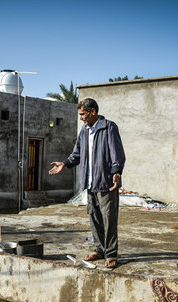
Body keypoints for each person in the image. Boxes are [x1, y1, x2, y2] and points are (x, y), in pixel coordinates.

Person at [49, 98, 126, 268]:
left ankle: (111, 253)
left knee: (109, 218)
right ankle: (99, 249)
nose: (81, 118)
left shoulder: (109, 127)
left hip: (106, 182)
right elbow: (76, 154)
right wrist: (65, 163)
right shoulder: (85, 131)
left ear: (93, 112)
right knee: (94, 217)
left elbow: (117, 153)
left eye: (83, 114)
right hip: (90, 183)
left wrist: (116, 172)